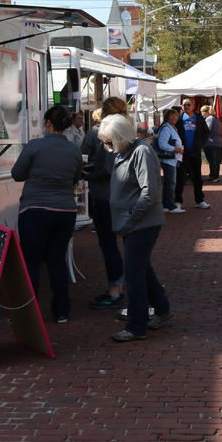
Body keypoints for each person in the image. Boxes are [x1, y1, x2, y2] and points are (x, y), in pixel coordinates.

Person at [99, 114, 171, 341]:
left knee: (133, 273)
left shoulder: (140, 152)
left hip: (141, 224)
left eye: (109, 142)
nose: (107, 147)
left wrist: (131, 217)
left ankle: (136, 325)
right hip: (133, 223)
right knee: (141, 269)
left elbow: (149, 192)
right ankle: (161, 309)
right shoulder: (125, 152)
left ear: (120, 137)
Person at [11, 105, 84, 323]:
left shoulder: (35, 146)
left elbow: (17, 174)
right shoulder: (74, 150)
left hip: (35, 209)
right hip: (64, 210)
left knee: (32, 262)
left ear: (48, 123)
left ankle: (29, 313)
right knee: (56, 261)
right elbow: (76, 177)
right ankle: (61, 311)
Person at [80, 97, 129, 310]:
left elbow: (108, 170)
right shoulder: (126, 130)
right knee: (121, 245)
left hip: (106, 197)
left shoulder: (108, 135)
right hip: (121, 196)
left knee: (109, 246)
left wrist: (86, 175)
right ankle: (118, 288)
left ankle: (115, 291)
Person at [174, 97, 210, 209]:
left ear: (193, 105)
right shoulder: (179, 118)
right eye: (184, 105)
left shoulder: (198, 117)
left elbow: (206, 132)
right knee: (180, 177)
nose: (186, 107)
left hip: (195, 152)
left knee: (197, 177)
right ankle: (177, 201)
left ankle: (199, 200)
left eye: (188, 104)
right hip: (182, 153)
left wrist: (200, 144)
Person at [158, 108, 185, 214]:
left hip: (173, 159)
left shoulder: (173, 128)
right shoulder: (166, 128)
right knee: (170, 182)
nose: (174, 118)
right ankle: (170, 205)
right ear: (166, 118)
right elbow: (162, 144)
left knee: (170, 182)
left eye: (175, 116)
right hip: (168, 159)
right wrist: (177, 149)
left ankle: (167, 204)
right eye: (171, 116)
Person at [201, 105, 222, 182]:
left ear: (207, 112)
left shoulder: (209, 118)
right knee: (216, 160)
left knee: (212, 160)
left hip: (211, 142)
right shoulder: (216, 118)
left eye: (203, 113)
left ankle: (213, 176)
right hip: (218, 142)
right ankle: (216, 175)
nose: (202, 115)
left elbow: (207, 129)